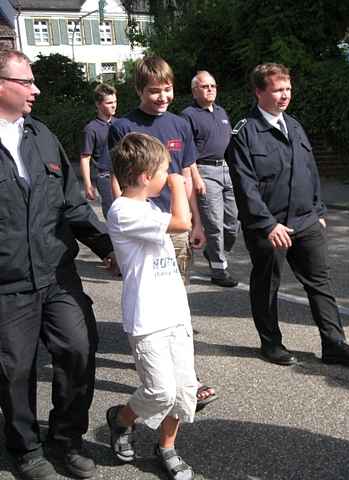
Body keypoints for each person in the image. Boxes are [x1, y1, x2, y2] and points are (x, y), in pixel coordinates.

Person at [0, 49, 116, 480]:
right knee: (15, 369)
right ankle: (26, 448)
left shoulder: (42, 137)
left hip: (55, 272)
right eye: (26, 82)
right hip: (7, 281)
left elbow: (72, 204)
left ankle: (66, 439)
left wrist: (106, 247)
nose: (36, 89)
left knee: (79, 348)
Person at [226, 63, 349, 366]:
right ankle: (271, 343)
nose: (285, 95)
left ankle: (334, 344)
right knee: (267, 285)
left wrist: (318, 211)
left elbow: (310, 171)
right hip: (269, 226)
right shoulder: (245, 133)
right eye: (278, 90)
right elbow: (245, 186)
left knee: (320, 283)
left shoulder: (294, 125)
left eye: (288, 89)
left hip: (306, 221)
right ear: (259, 92)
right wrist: (267, 225)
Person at [108, 55, 217, 412]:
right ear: (139, 89)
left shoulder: (180, 123)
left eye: (167, 89)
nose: (162, 97)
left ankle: (187, 374)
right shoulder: (123, 125)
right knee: (147, 289)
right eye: (154, 91)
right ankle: (150, 364)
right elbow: (116, 178)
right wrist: (122, 224)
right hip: (142, 225)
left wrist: (197, 222)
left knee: (175, 291)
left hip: (179, 221)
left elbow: (188, 173)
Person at [106, 132, 198, 480]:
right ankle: (121, 418)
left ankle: (167, 448)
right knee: (159, 391)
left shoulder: (146, 208)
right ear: (146, 176)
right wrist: (179, 185)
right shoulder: (123, 210)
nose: (168, 173)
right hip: (148, 320)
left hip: (175, 314)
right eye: (163, 169)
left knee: (184, 391)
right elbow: (181, 223)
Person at [181, 70, 239, 287]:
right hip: (203, 171)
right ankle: (219, 270)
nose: (211, 89)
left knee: (233, 221)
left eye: (213, 86)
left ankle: (214, 252)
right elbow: (187, 151)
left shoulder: (221, 112)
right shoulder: (188, 115)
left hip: (224, 168)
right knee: (214, 223)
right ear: (195, 91)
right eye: (205, 86)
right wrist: (195, 177)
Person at [79, 83, 117, 218]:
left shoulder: (119, 124)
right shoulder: (91, 129)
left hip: (123, 176)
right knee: (113, 215)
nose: (114, 105)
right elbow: (85, 158)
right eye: (109, 103)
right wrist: (88, 184)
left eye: (115, 101)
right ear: (98, 104)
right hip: (105, 177)